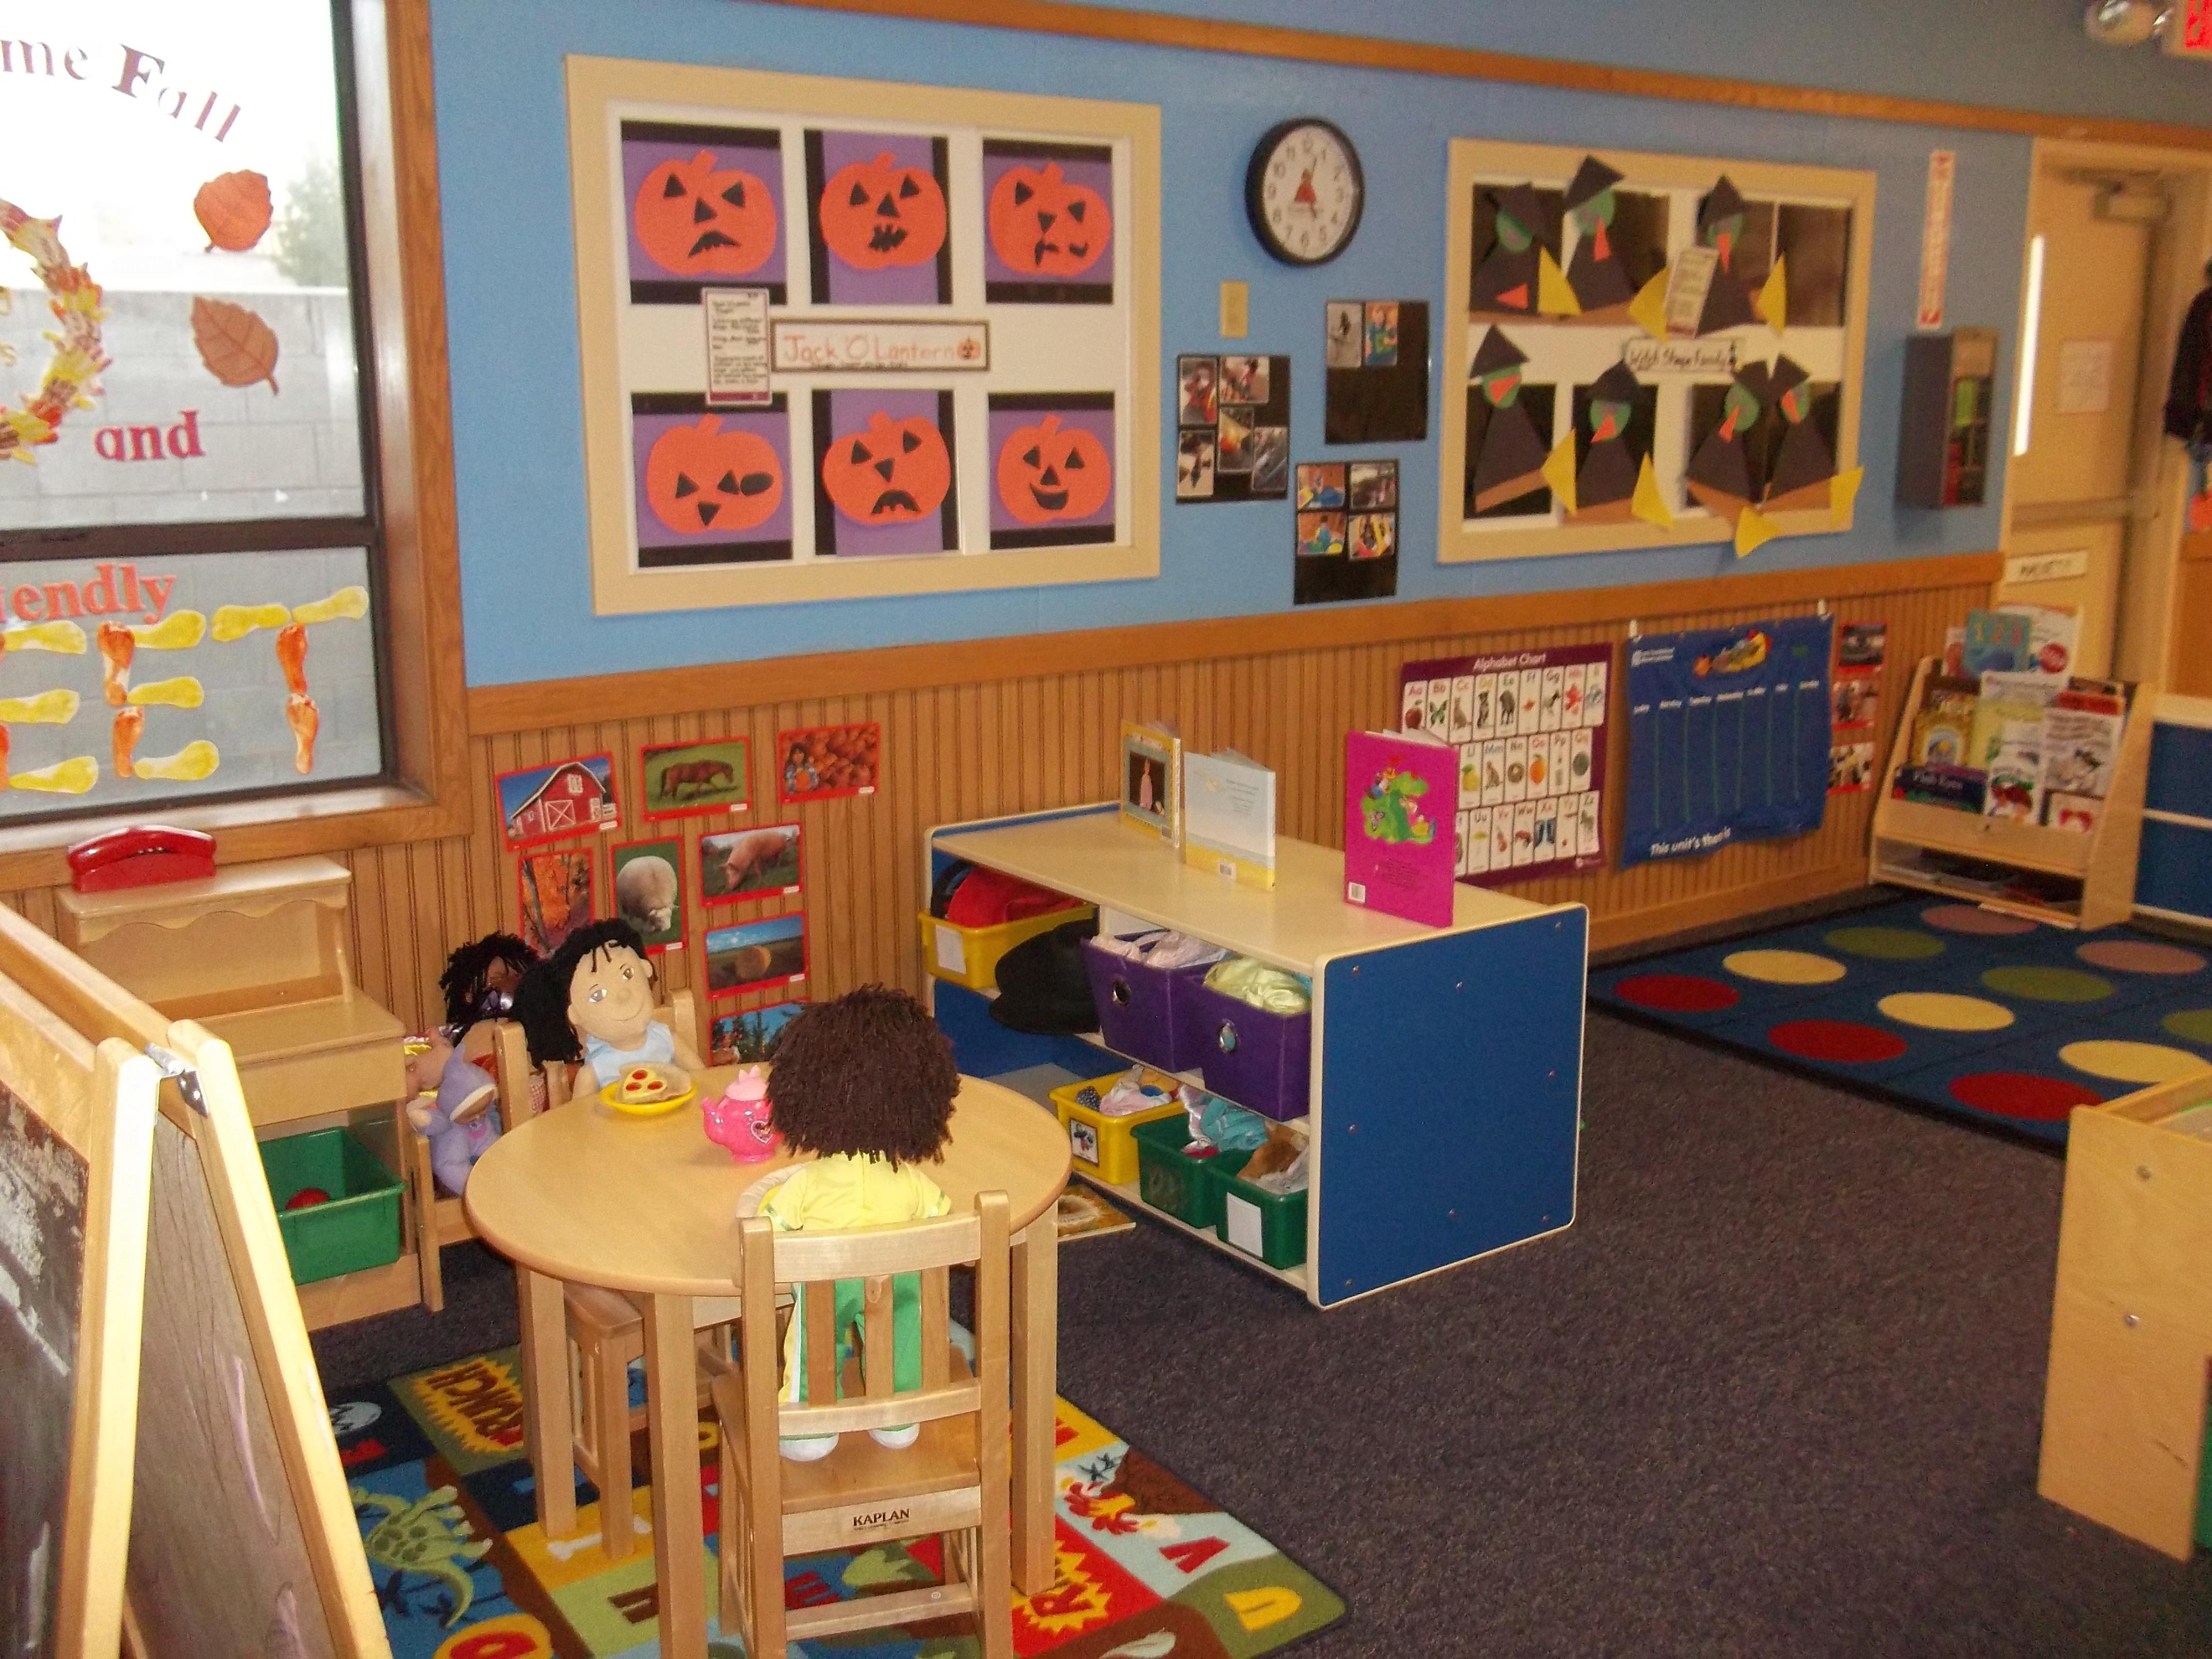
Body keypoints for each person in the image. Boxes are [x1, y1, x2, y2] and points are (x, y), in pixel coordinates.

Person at [754, 986, 957, 1461]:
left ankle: (809, 1427)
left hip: (828, 1282)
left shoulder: (809, 1180)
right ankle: (898, 1416)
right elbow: (944, 1222)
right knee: (902, 1332)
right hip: (898, 1280)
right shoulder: (908, 1179)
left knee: (811, 1344)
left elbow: (767, 1228)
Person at [510, 918, 706, 1094]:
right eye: (598, 995)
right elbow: (581, 1120)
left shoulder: (666, 1038)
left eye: (628, 974)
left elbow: (704, 1080)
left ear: (645, 969)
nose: (623, 995)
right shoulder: (596, 1069)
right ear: (575, 1014)